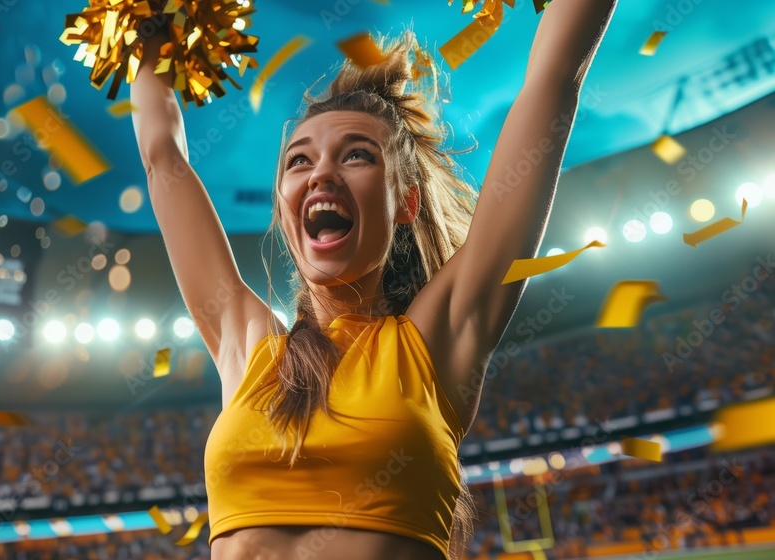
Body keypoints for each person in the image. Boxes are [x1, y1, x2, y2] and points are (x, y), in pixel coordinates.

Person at [130, 2, 617, 558]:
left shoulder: (436, 340)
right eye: (298, 161)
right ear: (283, 207)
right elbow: (162, 157)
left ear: (405, 202)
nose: (321, 173)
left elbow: (552, 82)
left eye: (357, 156)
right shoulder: (247, 350)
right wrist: (149, 26)